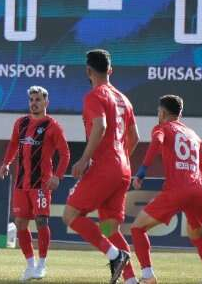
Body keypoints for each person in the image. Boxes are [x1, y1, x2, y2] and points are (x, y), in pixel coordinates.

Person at [61, 49, 139, 284]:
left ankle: (115, 255)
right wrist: (120, 161)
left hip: (104, 167)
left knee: (70, 215)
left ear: (88, 71)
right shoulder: (124, 99)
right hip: (123, 168)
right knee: (110, 229)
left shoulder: (94, 96)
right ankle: (131, 280)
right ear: (110, 70)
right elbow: (135, 138)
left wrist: (85, 159)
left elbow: (100, 126)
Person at [130, 95, 202, 284]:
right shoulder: (192, 134)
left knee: (137, 228)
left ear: (163, 112)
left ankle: (148, 275)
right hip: (198, 191)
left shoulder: (163, 128)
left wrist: (142, 170)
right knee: (197, 237)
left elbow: (157, 142)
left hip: (177, 190)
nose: (158, 114)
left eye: (158, 111)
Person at [0, 86, 70, 281]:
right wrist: (6, 163)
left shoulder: (53, 126)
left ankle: (42, 264)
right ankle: (30, 265)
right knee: (20, 223)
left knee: (41, 221)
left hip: (41, 184)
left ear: (46, 102)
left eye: (38, 99)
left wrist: (58, 176)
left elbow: (65, 154)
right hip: (21, 183)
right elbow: (13, 145)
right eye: (31, 100)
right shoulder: (20, 123)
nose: (34, 103)